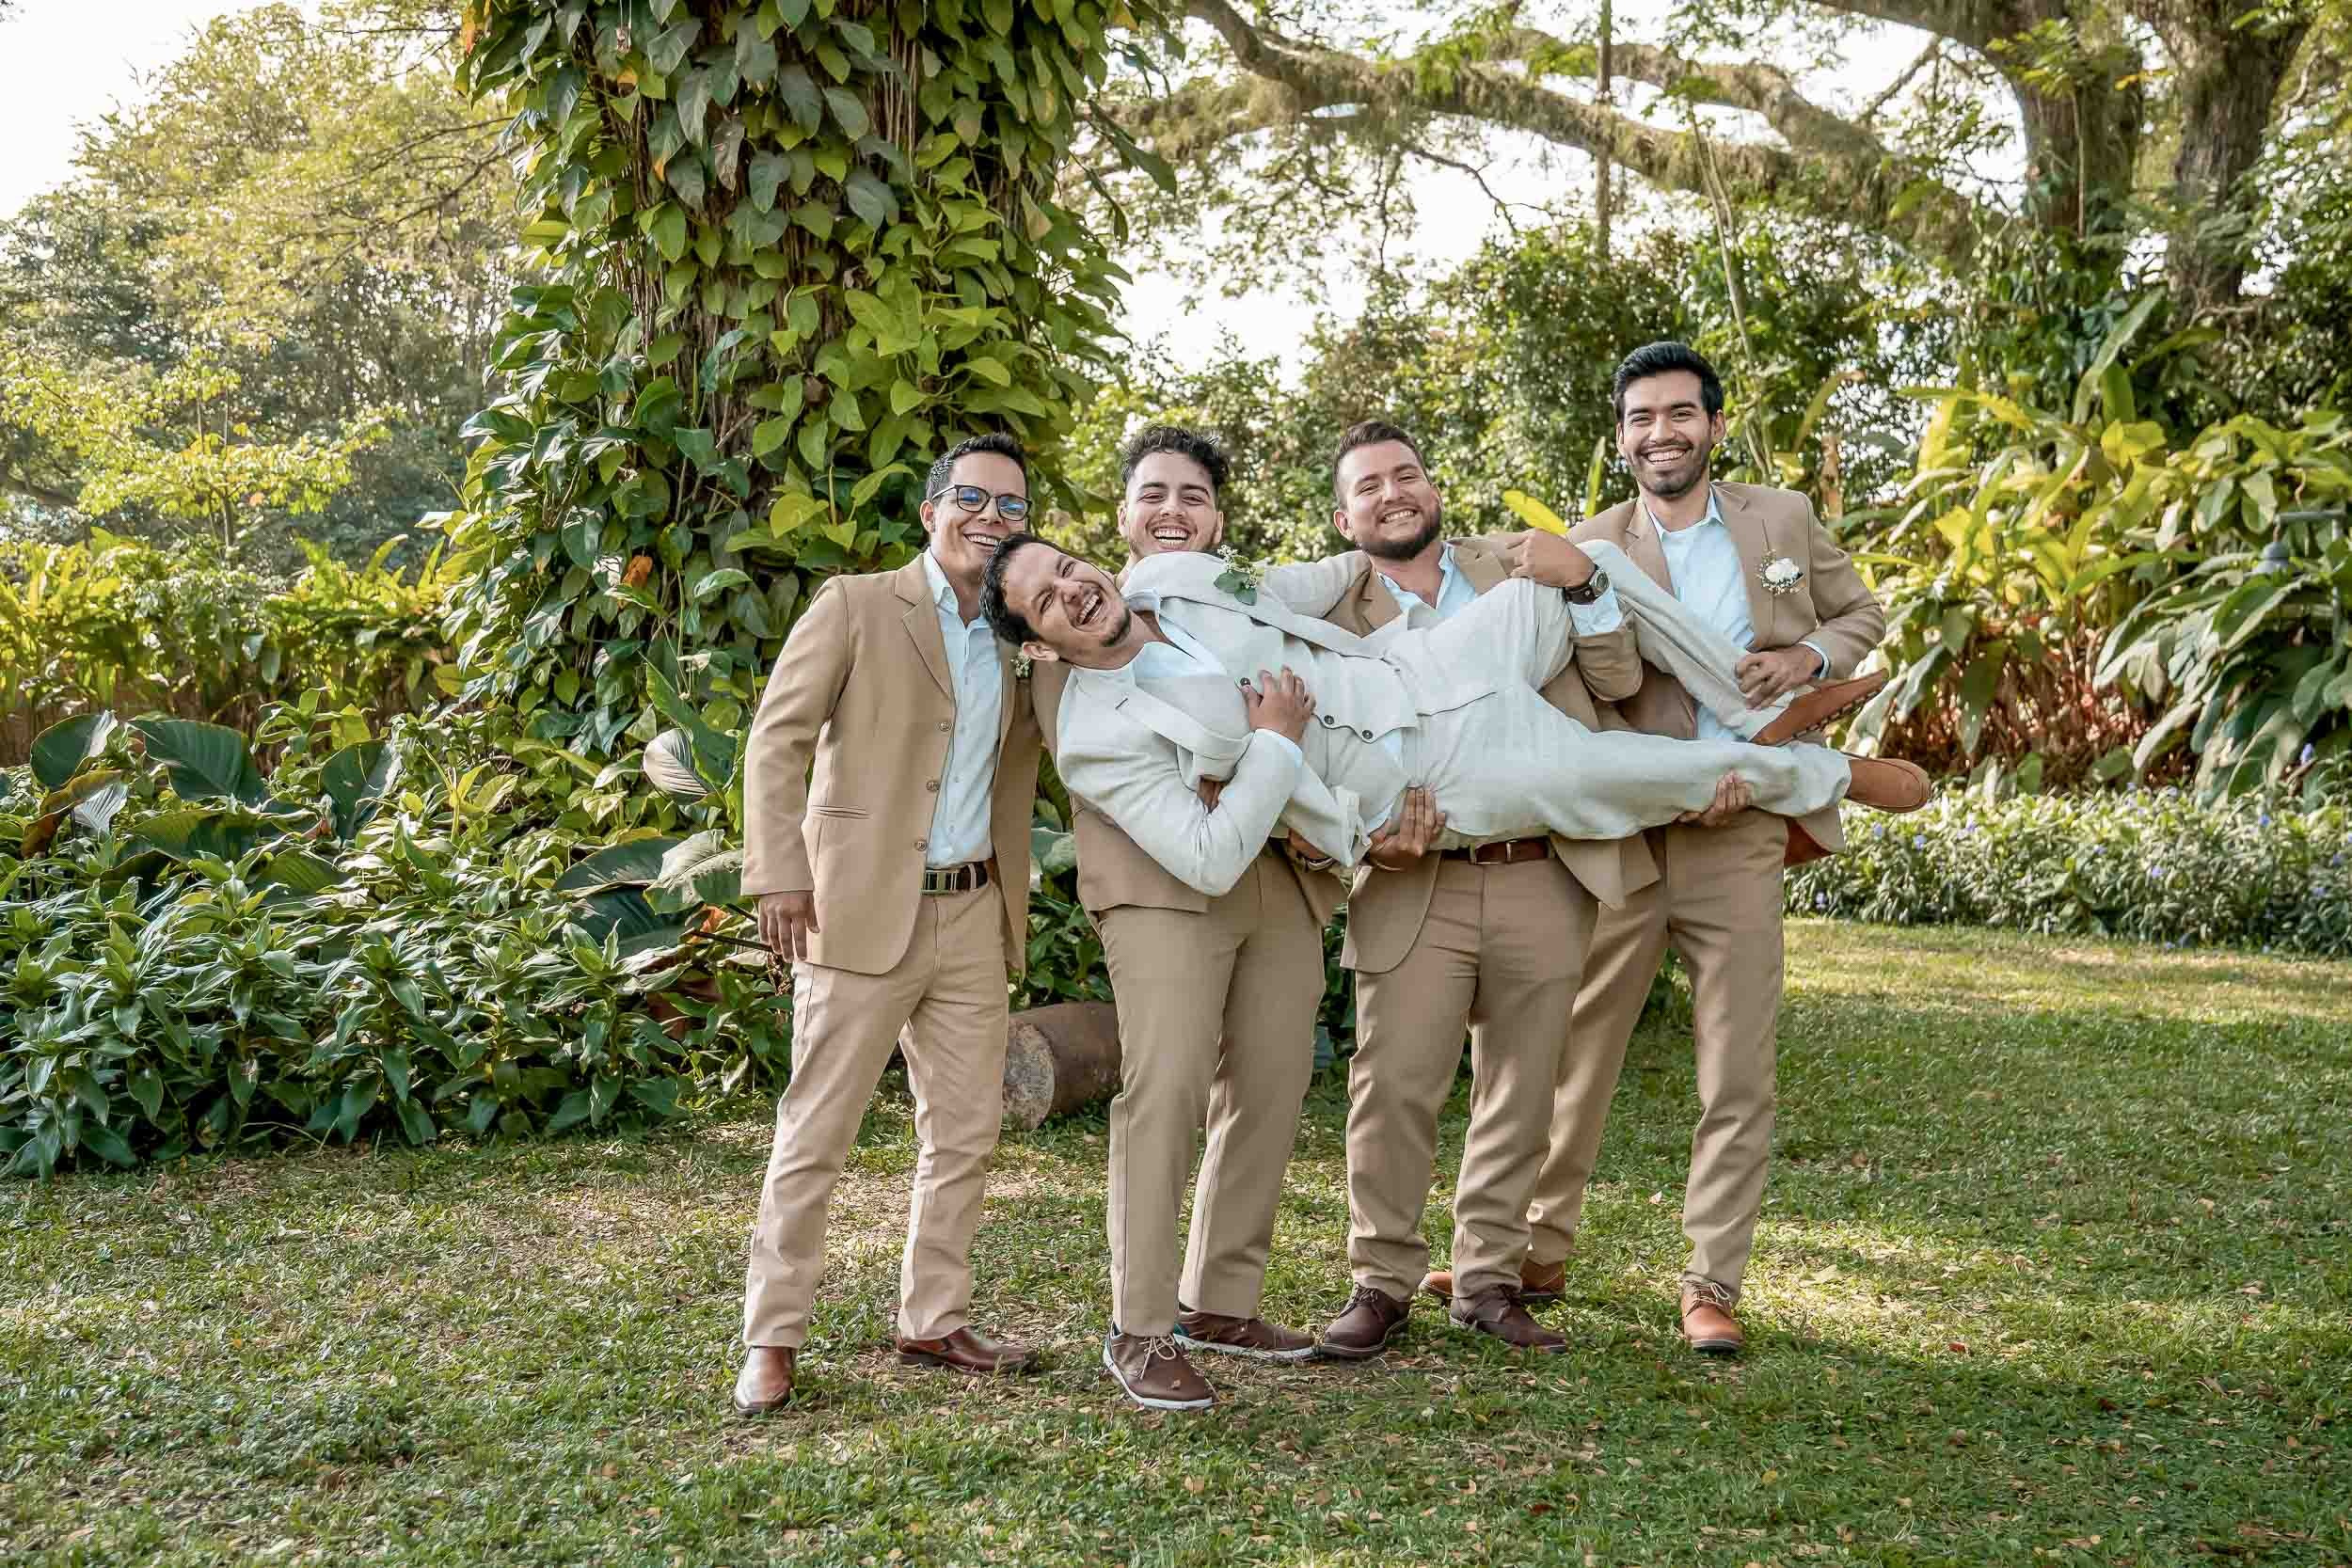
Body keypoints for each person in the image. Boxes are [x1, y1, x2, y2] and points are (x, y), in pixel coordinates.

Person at [1504, 341, 1894, 1357]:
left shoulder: (1782, 519)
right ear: (1620, 435)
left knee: (1736, 1062)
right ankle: (1538, 1249)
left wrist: (1805, 656)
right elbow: (1593, 682)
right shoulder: (1589, 544)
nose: (1659, 432)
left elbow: (1862, 614)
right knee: (1578, 1046)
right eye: (1639, 417)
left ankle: (1710, 1281)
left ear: (1715, 426)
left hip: (1746, 828)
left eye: (1679, 413)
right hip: (1631, 829)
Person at [976, 529, 1921, 901]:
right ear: (1041, 645)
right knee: (1613, 777)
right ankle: (1823, 775)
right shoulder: (1100, 738)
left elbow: (1300, 583)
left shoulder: (1173, 576)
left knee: (1578, 559)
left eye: (1066, 567)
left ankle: (1752, 700)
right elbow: (1210, 858)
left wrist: (1382, 539)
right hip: (1419, 781)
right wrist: (1270, 744)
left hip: (1412, 666)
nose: (1073, 590)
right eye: (1047, 601)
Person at [1301, 420, 1665, 1355]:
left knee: (1522, 1081)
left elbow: (1617, 676)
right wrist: (1366, 838)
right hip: (1410, 875)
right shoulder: (1324, 617)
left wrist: (1583, 580)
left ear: (1432, 487)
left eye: (1407, 474)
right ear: (1344, 516)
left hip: (1540, 867)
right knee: (1393, 1083)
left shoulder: (1520, 568)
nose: (1393, 492)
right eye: (1369, 484)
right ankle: (1379, 1280)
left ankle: (1489, 1278)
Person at [1029, 426, 1346, 1411]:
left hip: (1275, 874)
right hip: (1161, 883)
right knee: (1162, 1089)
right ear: (1120, 517)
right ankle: (1139, 1326)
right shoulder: (1059, 640)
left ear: (1217, 517)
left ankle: (1222, 1298)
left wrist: (1310, 824)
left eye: (1195, 494)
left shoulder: (1232, 614)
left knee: (1272, 1077)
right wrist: (1261, 752)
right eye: (1153, 492)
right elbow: (1178, 765)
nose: (1174, 507)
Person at [731, 434, 1044, 1415]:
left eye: (1011, 507)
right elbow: (776, 741)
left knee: (965, 1130)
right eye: (973, 498)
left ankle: (934, 1315)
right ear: (929, 509)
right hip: (856, 908)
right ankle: (772, 1335)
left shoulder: (1018, 640)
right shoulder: (857, 605)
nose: (991, 519)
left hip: (974, 910)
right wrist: (780, 872)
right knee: (814, 1131)